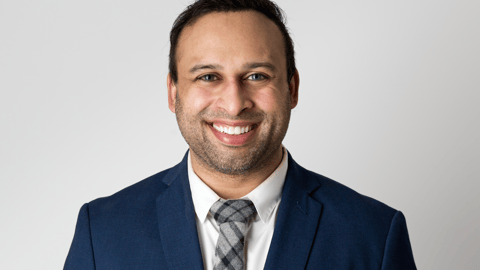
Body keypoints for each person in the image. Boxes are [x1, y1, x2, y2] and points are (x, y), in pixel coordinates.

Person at [64, 0, 417, 269]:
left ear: (292, 88)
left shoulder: (374, 235)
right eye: (208, 76)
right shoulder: (103, 232)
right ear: (173, 93)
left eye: (257, 76)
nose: (234, 105)